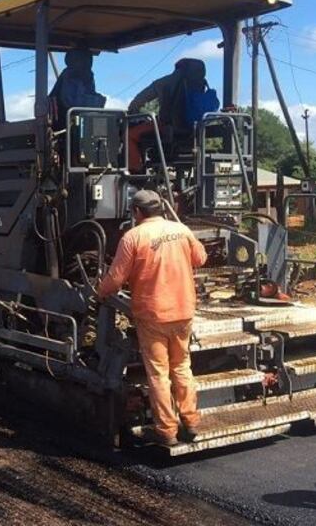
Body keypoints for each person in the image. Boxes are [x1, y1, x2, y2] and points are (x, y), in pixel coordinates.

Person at [97, 190, 207, 447]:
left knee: (159, 373)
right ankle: (191, 422)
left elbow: (116, 279)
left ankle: (167, 431)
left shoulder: (133, 237)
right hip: (183, 311)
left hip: (153, 315)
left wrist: (99, 292)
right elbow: (201, 258)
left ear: (137, 212)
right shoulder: (181, 230)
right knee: (182, 367)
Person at [126, 58, 217, 171]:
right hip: (194, 132)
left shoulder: (166, 82)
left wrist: (132, 111)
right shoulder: (201, 83)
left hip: (168, 127)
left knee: (129, 134)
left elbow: (140, 99)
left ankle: (136, 172)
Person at [49, 49, 107, 129]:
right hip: (66, 121)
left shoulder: (86, 75)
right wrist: (99, 100)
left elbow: (89, 93)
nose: (89, 63)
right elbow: (72, 101)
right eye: (86, 59)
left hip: (78, 119)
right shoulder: (71, 75)